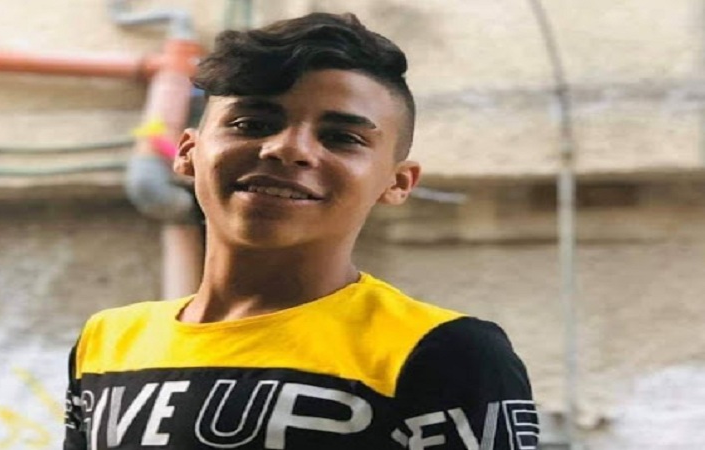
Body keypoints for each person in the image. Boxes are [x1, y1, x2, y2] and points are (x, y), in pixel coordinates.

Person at [64, 12, 538, 450]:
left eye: (342, 137)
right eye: (252, 123)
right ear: (189, 152)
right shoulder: (107, 342)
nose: (288, 149)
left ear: (397, 183)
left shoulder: (443, 351)